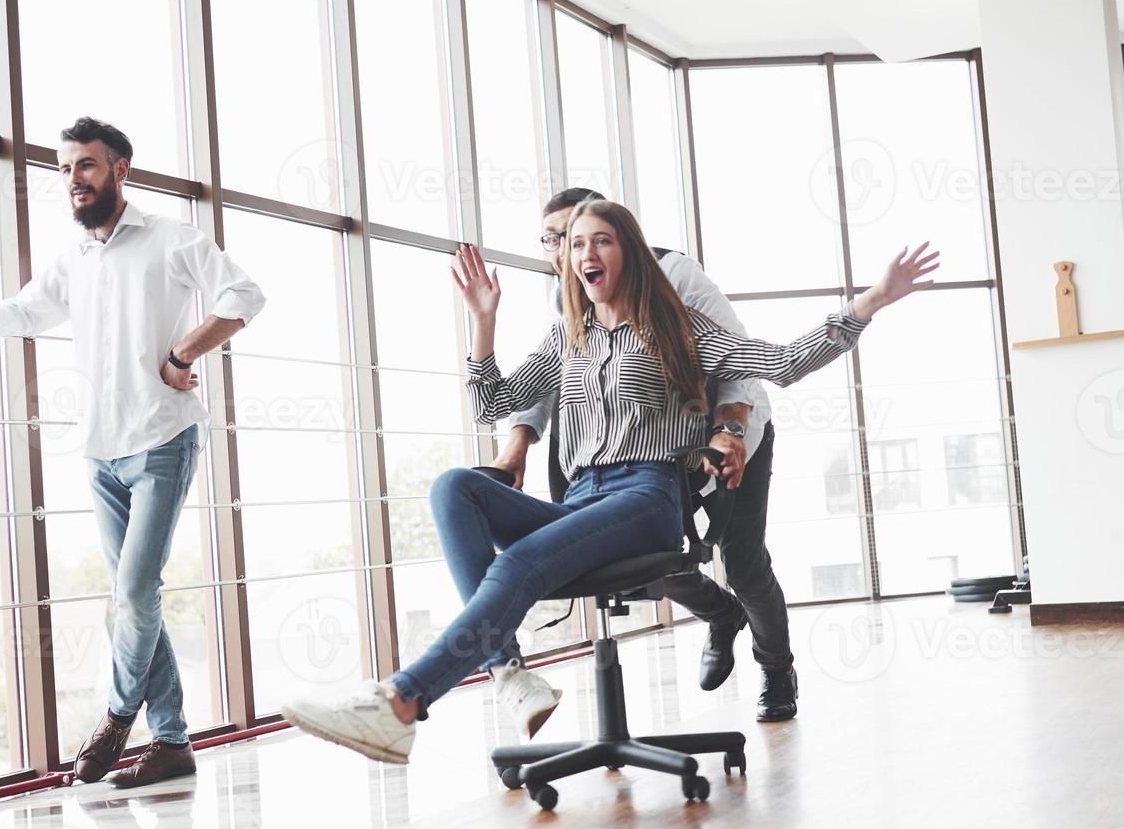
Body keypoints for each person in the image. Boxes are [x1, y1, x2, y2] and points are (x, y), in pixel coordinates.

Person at [281, 200, 937, 764]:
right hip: (581, 500)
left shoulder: (678, 330)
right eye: (574, 245)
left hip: (645, 498)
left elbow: (784, 362)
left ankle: (399, 702)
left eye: (601, 240)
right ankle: (509, 673)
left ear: (627, 254)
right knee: (455, 488)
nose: (584, 253)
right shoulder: (569, 336)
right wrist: (482, 323)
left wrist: (870, 301)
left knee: (521, 563)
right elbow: (493, 406)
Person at [0, 117, 266, 787]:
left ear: (119, 169)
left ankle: (117, 717)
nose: (72, 180)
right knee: (132, 596)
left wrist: (181, 354)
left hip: (162, 440)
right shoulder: (73, 259)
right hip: (99, 452)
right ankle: (171, 740)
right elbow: (27, 311)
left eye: (84, 166)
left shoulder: (172, 239)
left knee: (135, 591)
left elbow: (244, 296)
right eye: (63, 169)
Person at [493, 188, 797, 722]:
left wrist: (728, 430)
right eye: (554, 241)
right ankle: (720, 615)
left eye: (578, 236)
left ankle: (775, 669)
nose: (568, 252)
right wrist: (518, 438)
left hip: (727, 434)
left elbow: (736, 361)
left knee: (743, 563)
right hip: (644, 458)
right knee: (649, 559)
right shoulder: (569, 298)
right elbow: (547, 381)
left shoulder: (676, 275)